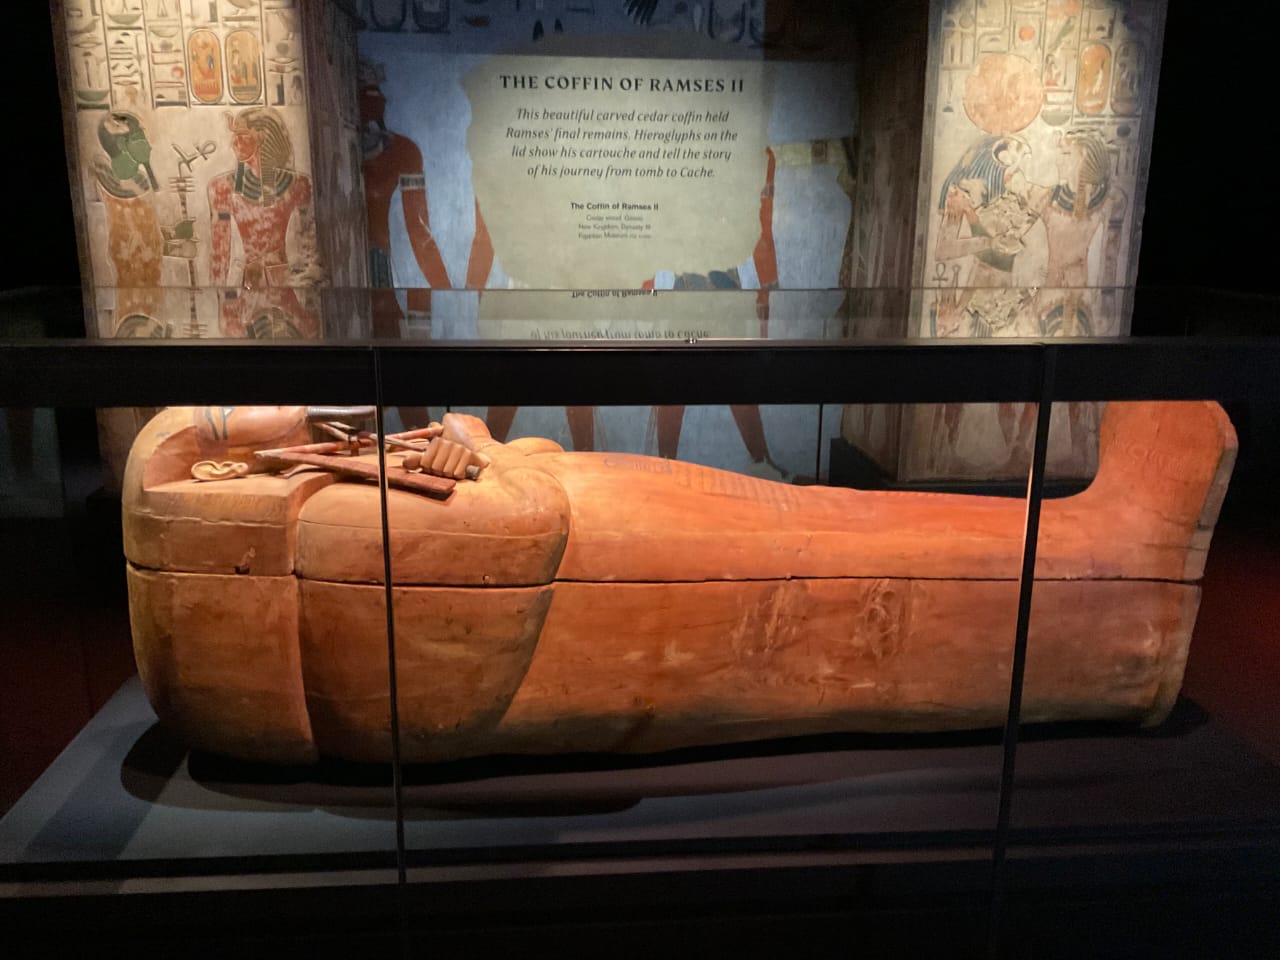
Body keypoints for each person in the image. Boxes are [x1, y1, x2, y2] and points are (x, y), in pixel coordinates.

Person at [208, 106, 321, 338]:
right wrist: (225, 301)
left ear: (261, 137)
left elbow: (309, 247)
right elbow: (220, 252)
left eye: (242, 136)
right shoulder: (222, 188)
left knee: (307, 330)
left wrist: (310, 300)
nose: (234, 143)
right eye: (234, 136)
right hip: (247, 287)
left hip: (286, 287)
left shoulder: (298, 185)